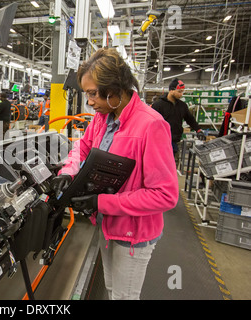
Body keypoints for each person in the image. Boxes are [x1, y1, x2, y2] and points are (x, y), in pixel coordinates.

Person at [50, 48, 179, 300]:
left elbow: (165, 195)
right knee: (112, 290)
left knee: (124, 297)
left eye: (92, 93)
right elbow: (83, 146)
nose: (89, 102)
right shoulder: (103, 117)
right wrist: (69, 170)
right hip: (108, 225)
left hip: (134, 234)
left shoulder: (151, 125)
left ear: (113, 89)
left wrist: (102, 202)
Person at [151, 78, 206, 158]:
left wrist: (198, 130)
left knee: (173, 167)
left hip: (175, 142)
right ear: (171, 90)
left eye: (182, 92)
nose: (181, 94)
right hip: (160, 143)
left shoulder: (182, 106)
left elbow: (190, 119)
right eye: (179, 92)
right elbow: (151, 123)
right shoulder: (158, 105)